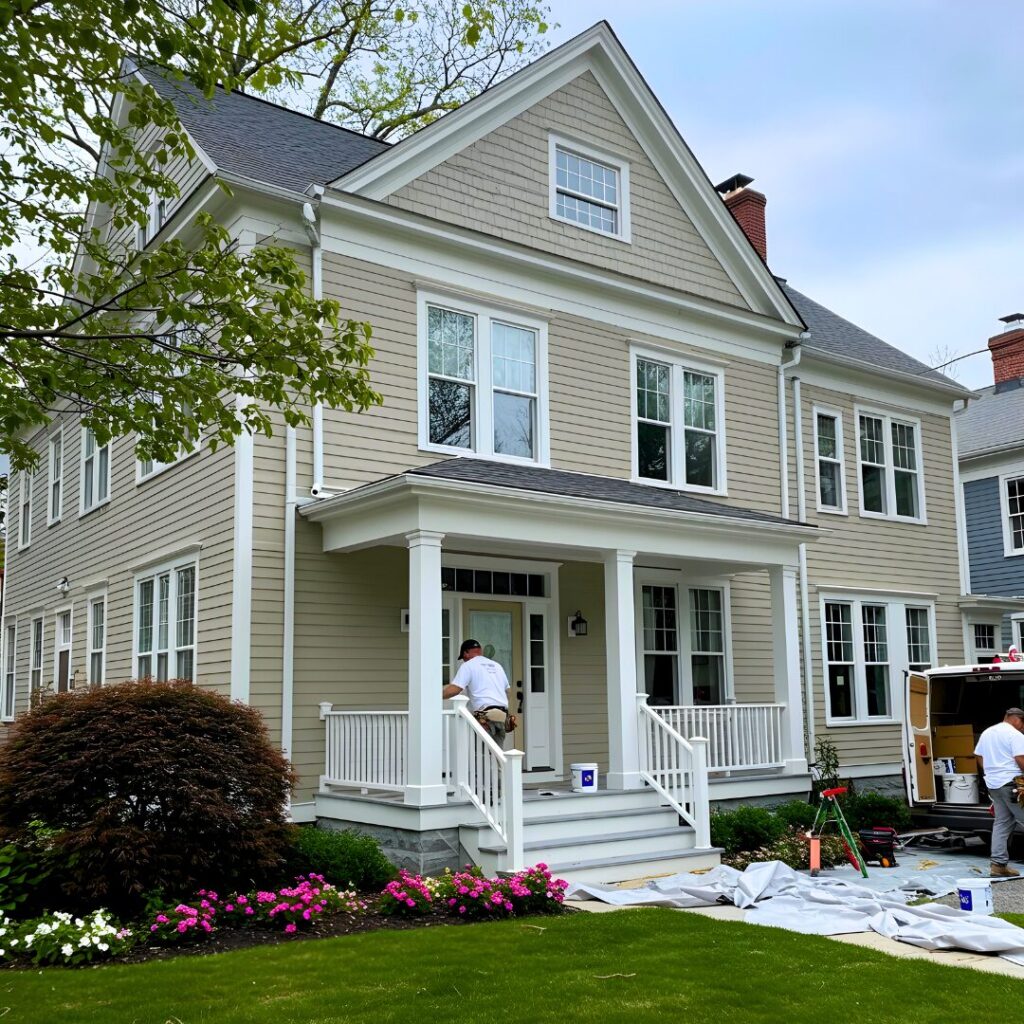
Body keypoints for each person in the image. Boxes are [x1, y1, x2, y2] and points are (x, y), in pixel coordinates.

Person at [974, 707, 1024, 877]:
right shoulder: (1015, 735)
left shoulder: (988, 732)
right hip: (1012, 784)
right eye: (1023, 723)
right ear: (1017, 719)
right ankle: (998, 865)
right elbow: (1020, 758)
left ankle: (998, 865)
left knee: (1002, 823)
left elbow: (979, 755)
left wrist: (989, 772)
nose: (1023, 727)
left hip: (994, 785)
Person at [443, 638, 512, 745]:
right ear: (480, 651)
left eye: (463, 658)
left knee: (481, 755)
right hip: (502, 716)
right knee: (496, 755)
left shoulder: (468, 665)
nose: (464, 660)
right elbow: (508, 691)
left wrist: (434, 696)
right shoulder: (497, 666)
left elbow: (455, 689)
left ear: (466, 653)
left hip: (485, 717)